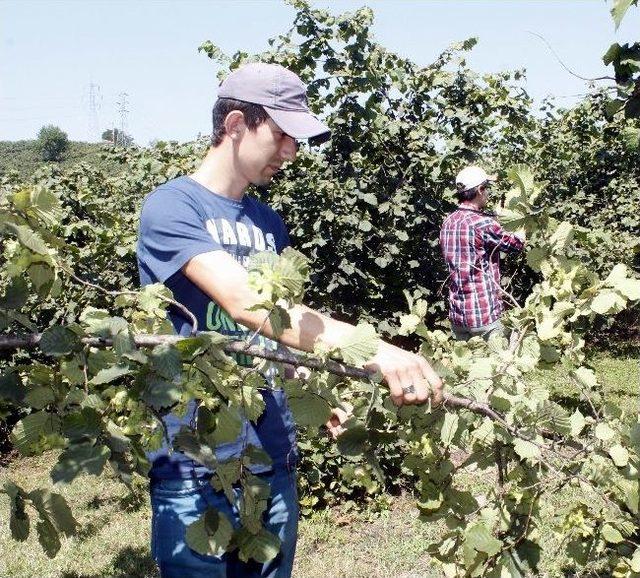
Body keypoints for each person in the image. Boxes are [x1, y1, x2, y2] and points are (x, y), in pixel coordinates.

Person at [137, 62, 443, 578]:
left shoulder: (267, 223)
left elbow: (274, 328)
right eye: (281, 135)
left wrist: (316, 391)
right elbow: (245, 303)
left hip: (272, 453)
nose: (291, 152)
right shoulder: (171, 208)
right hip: (195, 459)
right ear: (235, 125)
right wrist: (378, 350)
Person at [439, 165, 525, 342]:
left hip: (458, 314)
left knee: (466, 368)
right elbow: (516, 245)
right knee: (496, 366)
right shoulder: (483, 223)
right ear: (479, 190)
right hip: (484, 314)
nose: (488, 193)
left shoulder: (448, 221)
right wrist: (522, 222)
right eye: (487, 188)